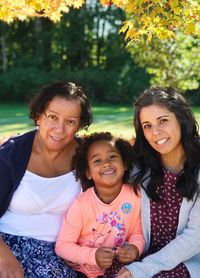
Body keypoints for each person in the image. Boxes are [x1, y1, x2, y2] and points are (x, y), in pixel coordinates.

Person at [0, 80, 92, 278]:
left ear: (79, 125)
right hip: (6, 245)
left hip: (63, 252)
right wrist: (4, 257)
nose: (59, 129)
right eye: (52, 117)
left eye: (70, 121)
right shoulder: (11, 154)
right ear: (38, 116)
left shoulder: (87, 157)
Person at [117, 87, 200, 278]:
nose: (155, 132)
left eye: (163, 121)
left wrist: (142, 269)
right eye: (147, 125)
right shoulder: (139, 167)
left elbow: (195, 237)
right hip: (141, 254)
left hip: (187, 261)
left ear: (181, 119)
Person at [55, 132, 145, 278]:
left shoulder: (135, 196)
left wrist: (135, 248)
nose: (106, 163)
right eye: (97, 161)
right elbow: (62, 246)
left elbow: (137, 232)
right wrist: (92, 256)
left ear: (125, 164)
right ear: (88, 172)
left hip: (120, 269)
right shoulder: (81, 205)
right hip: (83, 271)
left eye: (112, 157)